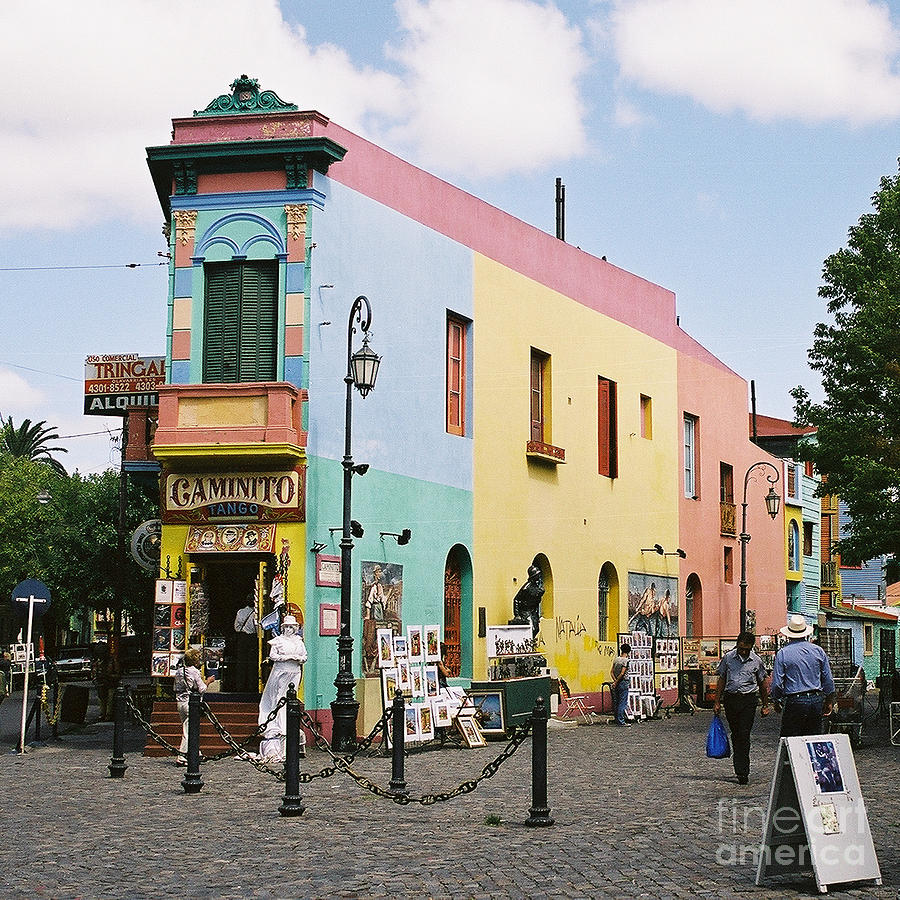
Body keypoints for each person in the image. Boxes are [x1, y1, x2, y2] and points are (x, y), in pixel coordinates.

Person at [714, 631, 770, 784]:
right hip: (731, 699)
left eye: (747, 649)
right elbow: (722, 679)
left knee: (744, 734)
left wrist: (765, 705)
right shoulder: (728, 658)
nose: (744, 652)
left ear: (751, 647)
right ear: (737, 645)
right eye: (741, 648)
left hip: (748, 700)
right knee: (736, 733)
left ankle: (743, 771)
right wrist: (717, 701)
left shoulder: (756, 661)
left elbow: (762, 684)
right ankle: (739, 764)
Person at [770, 614, 835, 737]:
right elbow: (828, 679)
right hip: (816, 699)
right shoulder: (818, 651)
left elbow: (777, 683)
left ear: (788, 634)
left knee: (791, 739)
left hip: (795, 700)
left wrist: (776, 700)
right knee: (813, 739)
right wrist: (829, 700)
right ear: (806, 633)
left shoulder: (783, 653)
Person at [258, 614, 308, 761]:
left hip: (294, 671)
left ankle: (287, 725)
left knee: (290, 697)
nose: (289, 629)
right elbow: (273, 656)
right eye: (287, 627)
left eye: (292, 627)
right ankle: (279, 725)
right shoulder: (278, 641)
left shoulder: (299, 642)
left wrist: (297, 658)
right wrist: (286, 657)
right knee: (279, 698)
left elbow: (304, 656)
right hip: (281, 671)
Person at [173, 647, 214, 764]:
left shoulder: (179, 671)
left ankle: (196, 753)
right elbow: (202, 688)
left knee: (189, 727)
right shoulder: (194, 672)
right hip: (191, 703)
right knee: (188, 729)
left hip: (180, 702)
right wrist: (208, 681)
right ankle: (181, 757)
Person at [232, 594, 259, 693]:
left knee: (241, 662)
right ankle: (252, 687)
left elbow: (236, 627)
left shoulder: (241, 612)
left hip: (242, 637)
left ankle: (240, 686)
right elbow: (257, 628)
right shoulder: (256, 613)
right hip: (252, 638)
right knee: (252, 663)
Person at [610, 642, 631, 726]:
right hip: (623, 682)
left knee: (617, 701)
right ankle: (621, 720)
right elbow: (622, 673)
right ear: (628, 652)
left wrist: (615, 681)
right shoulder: (626, 661)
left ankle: (616, 718)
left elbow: (611, 672)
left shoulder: (616, 659)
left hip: (617, 682)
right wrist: (617, 681)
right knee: (622, 702)